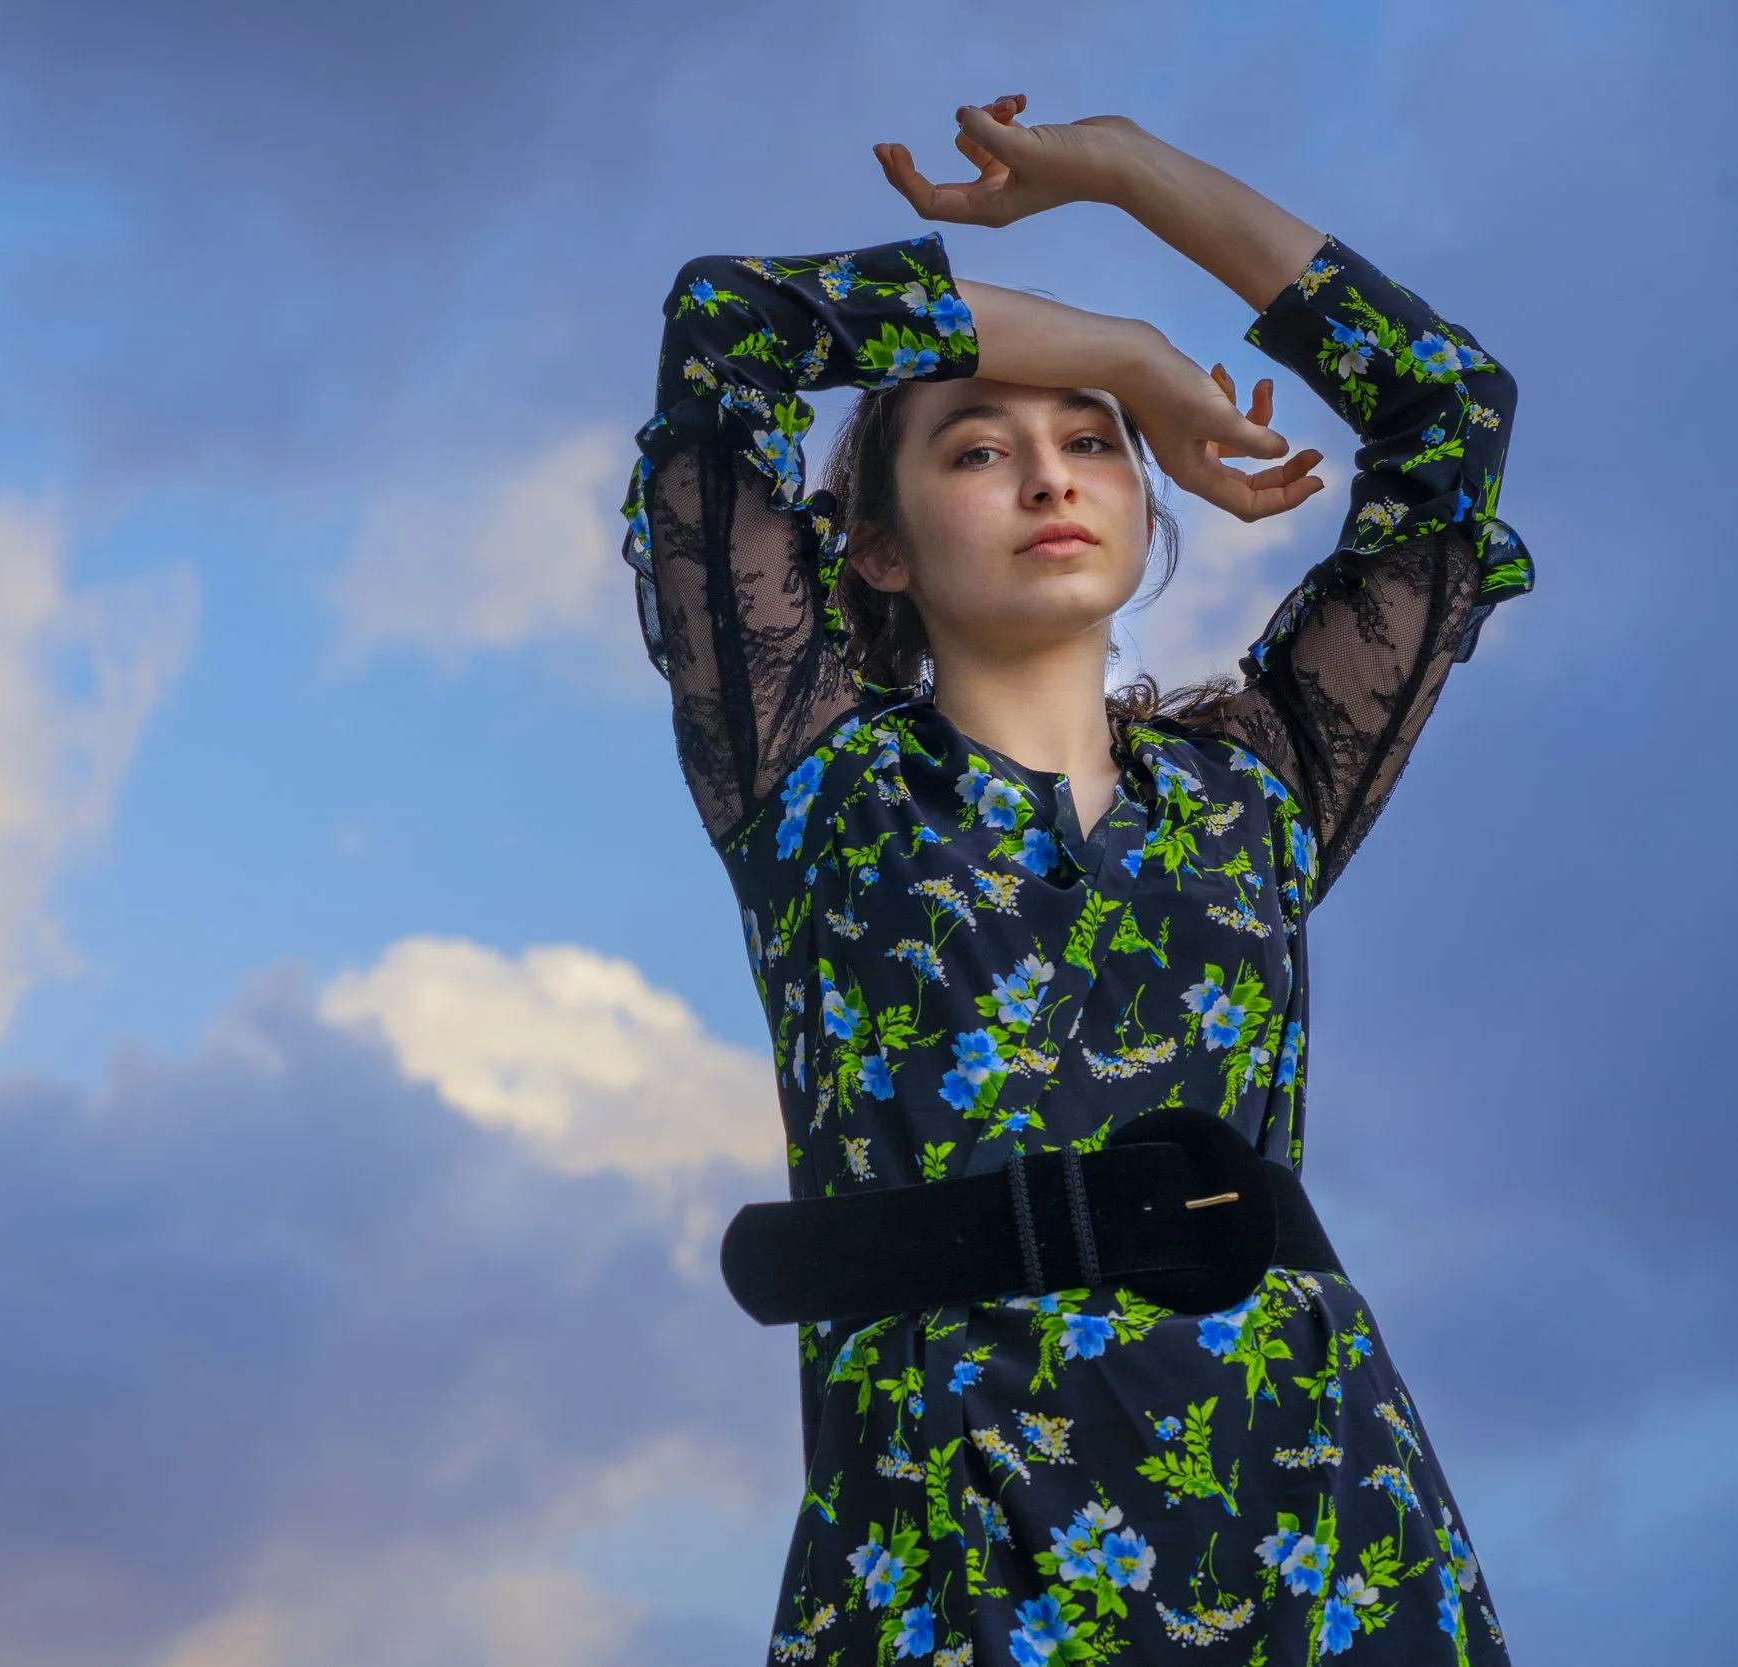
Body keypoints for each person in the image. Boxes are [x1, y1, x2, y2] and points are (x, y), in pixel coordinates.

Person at [620, 96, 1526, 1664]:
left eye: (1091, 443)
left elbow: (1450, 414)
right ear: (878, 548)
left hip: (1324, 1536)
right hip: (948, 1544)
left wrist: (1124, 173)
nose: (1053, 474)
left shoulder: (1262, 785)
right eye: (982, 447)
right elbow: (726, 329)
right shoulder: (816, 777)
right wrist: (1116, 352)